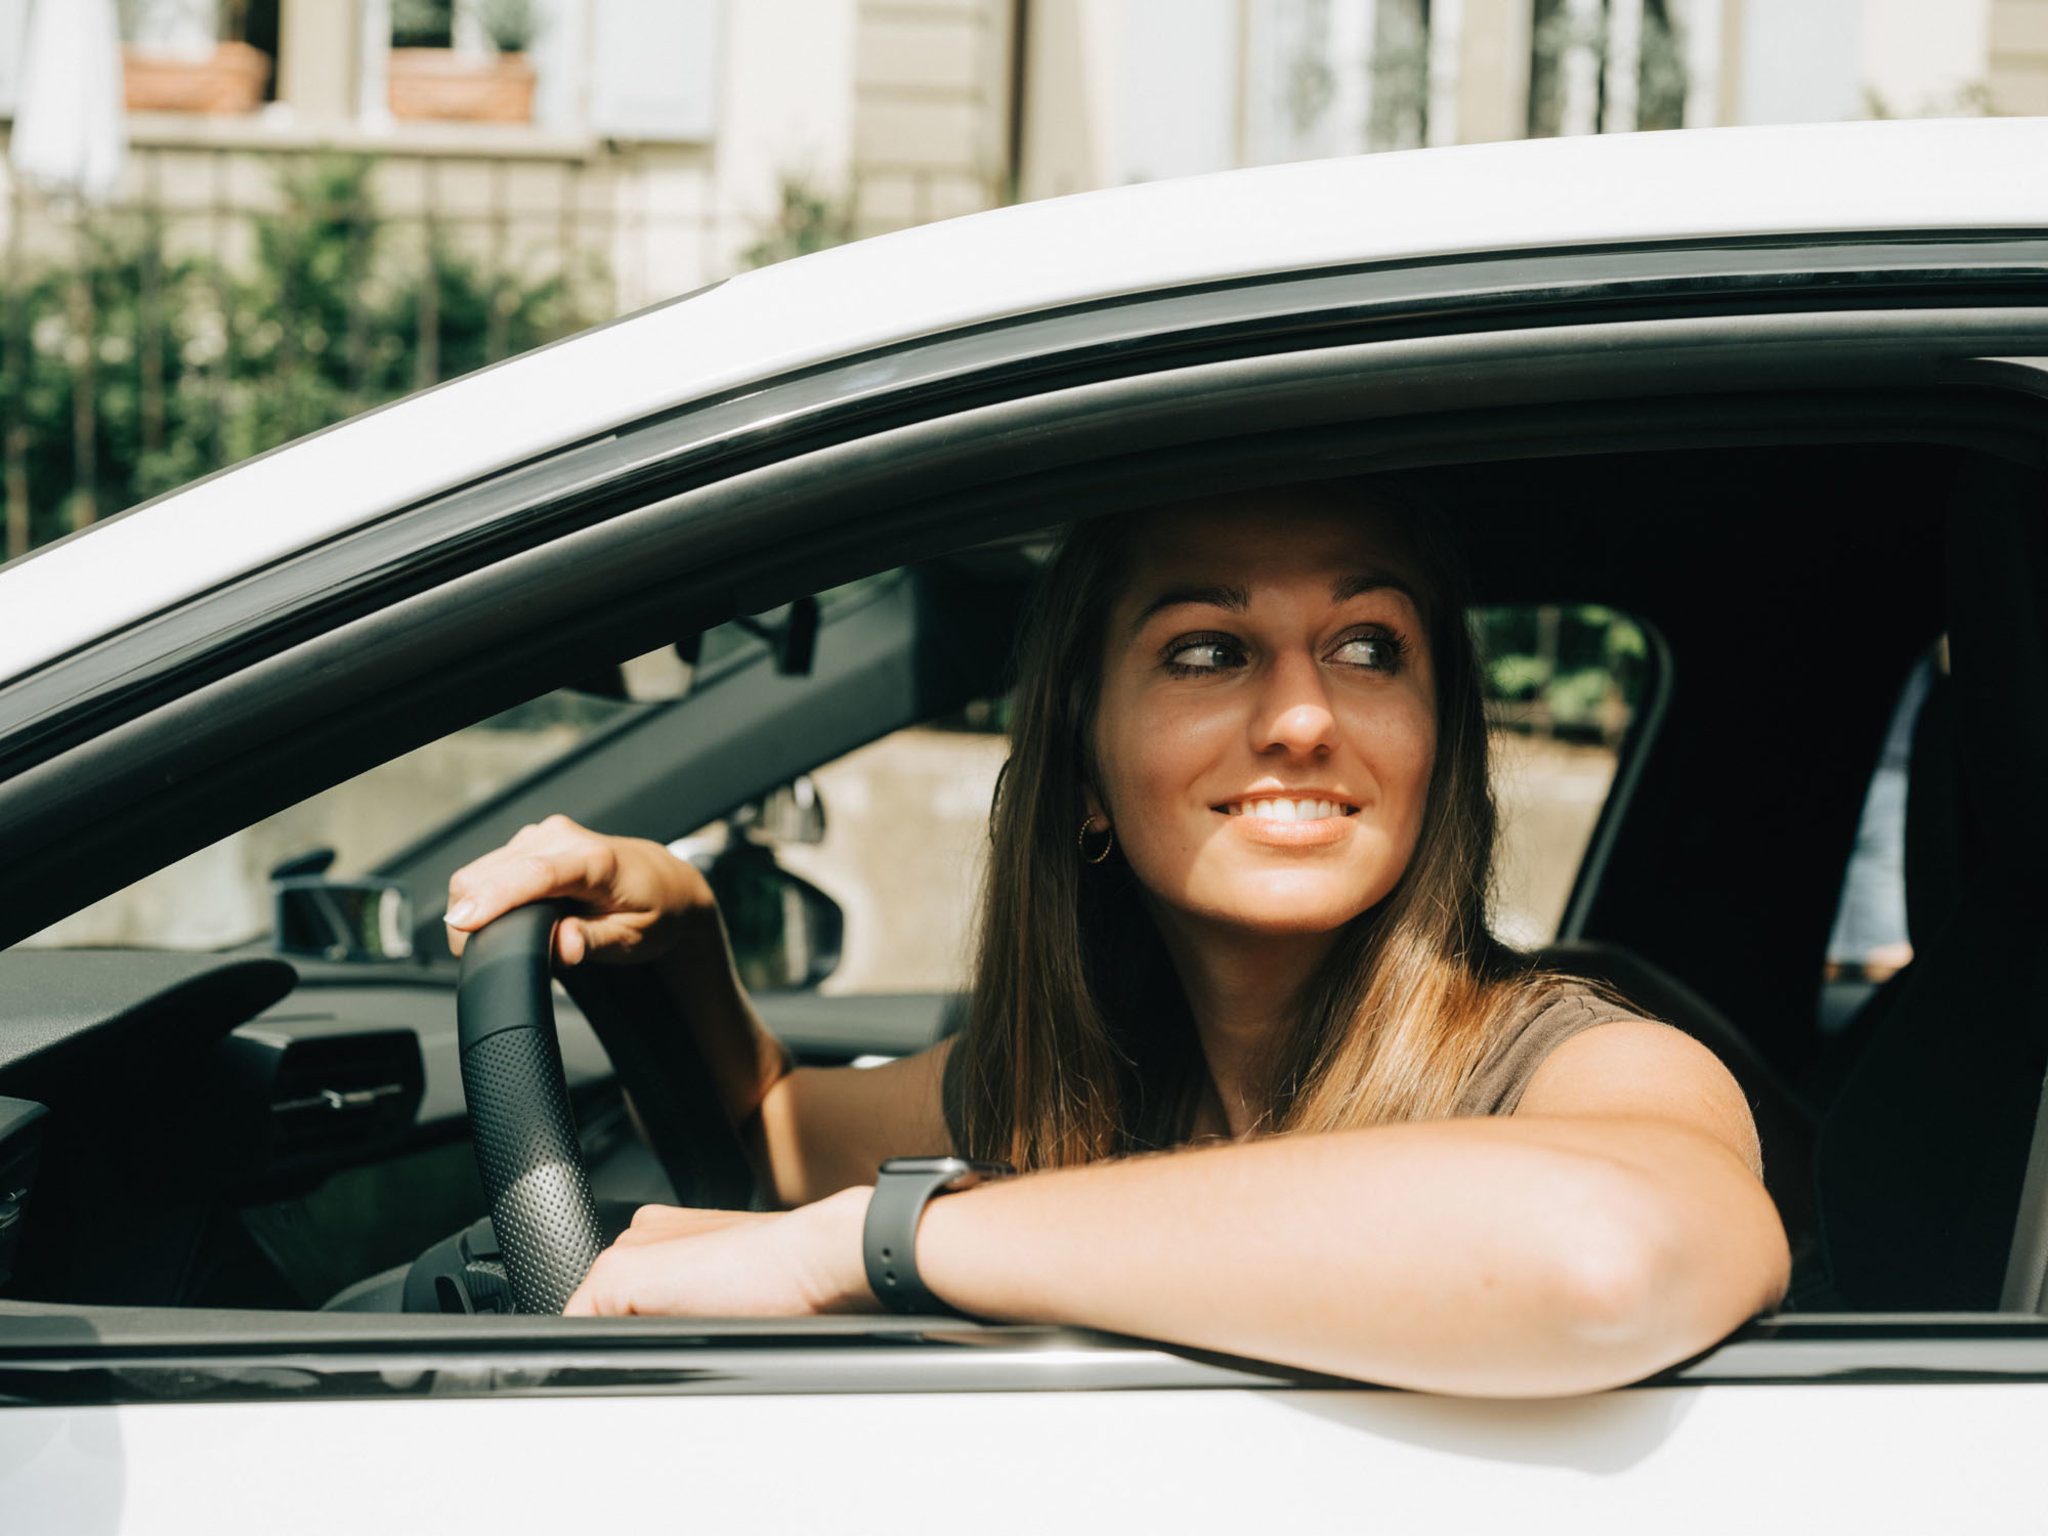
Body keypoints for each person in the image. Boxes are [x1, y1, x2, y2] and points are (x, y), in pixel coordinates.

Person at [444, 482, 1788, 1397]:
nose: (1305, 719)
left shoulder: (1575, 1063)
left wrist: (865, 1246)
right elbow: (778, 1134)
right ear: (1085, 769)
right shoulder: (1081, 1082)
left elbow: (1608, 1257)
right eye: (1210, 650)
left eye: (1369, 647)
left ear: (1438, 749)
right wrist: (684, 944)